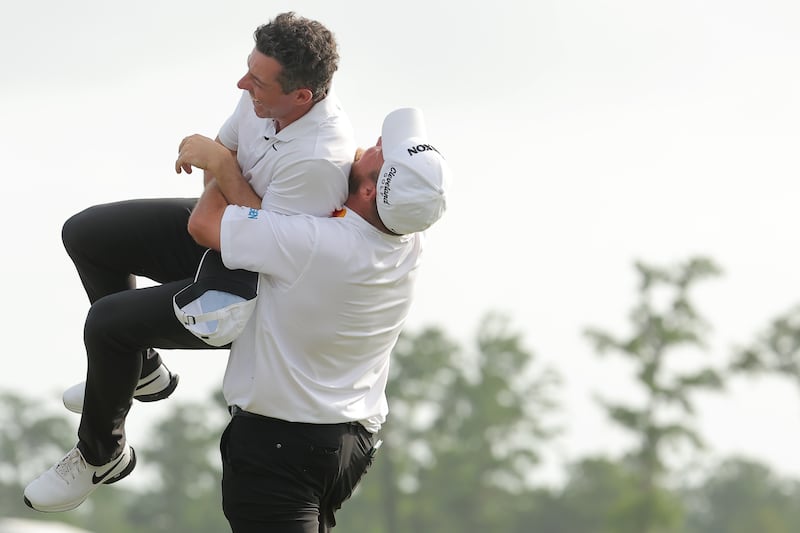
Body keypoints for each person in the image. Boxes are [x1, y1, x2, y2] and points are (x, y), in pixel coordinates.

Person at [23, 12, 355, 513]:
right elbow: (219, 188)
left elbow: (266, 245)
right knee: (87, 234)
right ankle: (140, 370)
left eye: (257, 81)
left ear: (302, 96)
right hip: (230, 236)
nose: (242, 85)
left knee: (108, 324)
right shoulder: (262, 96)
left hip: (266, 292)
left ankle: (100, 455)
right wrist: (223, 182)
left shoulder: (319, 159)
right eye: (249, 70)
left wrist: (223, 169)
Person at [185, 107, 450, 532]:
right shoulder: (409, 239)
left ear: (369, 191)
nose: (373, 144)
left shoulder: (318, 243)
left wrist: (223, 163)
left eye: (382, 151)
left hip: (281, 445)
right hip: (348, 445)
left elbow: (206, 223)